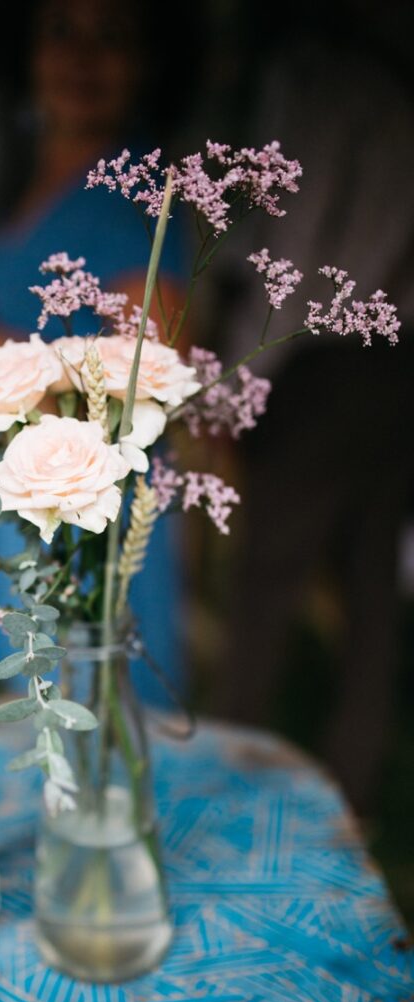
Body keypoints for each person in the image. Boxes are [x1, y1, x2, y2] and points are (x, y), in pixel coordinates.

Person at [0, 0, 195, 704]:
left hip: (90, 526)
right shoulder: (20, 168)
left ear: (147, 61)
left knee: (97, 738)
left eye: (111, 36)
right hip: (17, 507)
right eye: (60, 31)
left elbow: (151, 376)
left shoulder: (142, 192)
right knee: (29, 743)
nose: (81, 58)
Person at [212, 3, 414, 818]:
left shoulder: (324, 77)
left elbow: (288, 253)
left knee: (263, 596)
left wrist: (232, 386)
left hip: (323, 365)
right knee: (370, 594)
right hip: (401, 368)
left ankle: (217, 815)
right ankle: (350, 806)